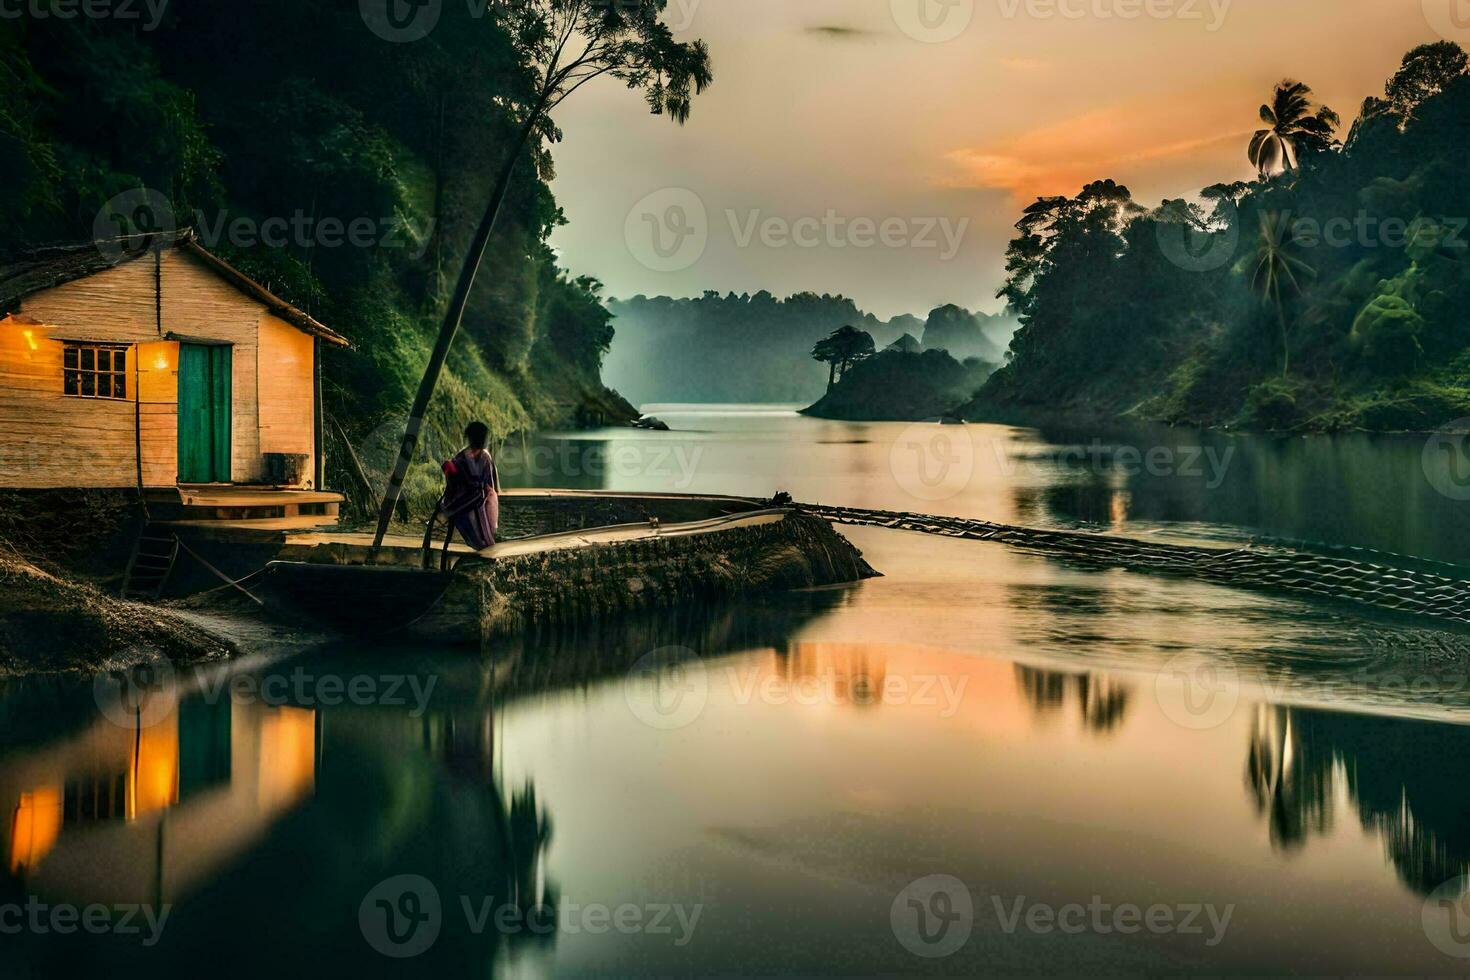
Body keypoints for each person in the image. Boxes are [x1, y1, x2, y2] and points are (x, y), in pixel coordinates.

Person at [441, 421, 500, 550]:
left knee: (485, 497)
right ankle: (487, 540)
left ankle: (483, 539)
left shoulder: (462, 456)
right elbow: (490, 488)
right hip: (470, 504)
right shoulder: (484, 457)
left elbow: (451, 481)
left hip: (454, 505)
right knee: (488, 496)